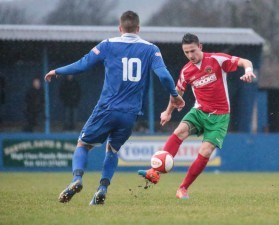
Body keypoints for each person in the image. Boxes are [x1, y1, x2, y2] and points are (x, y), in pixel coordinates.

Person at [44, 11, 184, 205]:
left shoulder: (108, 45)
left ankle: (77, 179)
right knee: (112, 150)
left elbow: (83, 65)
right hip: (130, 114)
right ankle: (102, 189)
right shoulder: (151, 49)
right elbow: (165, 77)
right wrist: (175, 96)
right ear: (138, 28)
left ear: (120, 28)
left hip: (107, 108)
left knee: (83, 145)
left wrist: (58, 71)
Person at [139, 33, 256, 199]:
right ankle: (154, 172)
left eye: (193, 51)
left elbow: (245, 61)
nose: (190, 55)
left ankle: (183, 188)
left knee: (206, 151)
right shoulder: (186, 71)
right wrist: (168, 112)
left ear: (200, 46)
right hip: (199, 111)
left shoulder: (217, 60)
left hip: (220, 116)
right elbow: (176, 93)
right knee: (179, 131)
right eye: (186, 52)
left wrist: (249, 71)